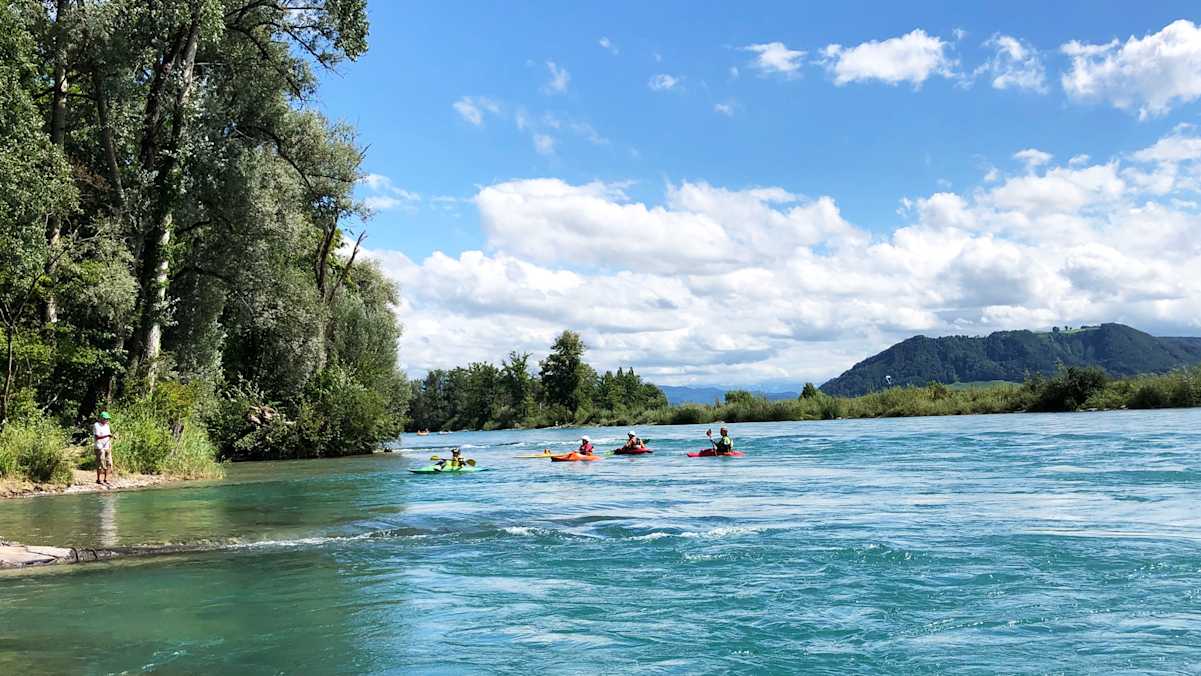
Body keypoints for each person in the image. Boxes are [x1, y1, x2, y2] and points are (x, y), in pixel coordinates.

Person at [93, 411, 114, 485]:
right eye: (105, 419)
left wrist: (111, 436)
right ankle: (98, 479)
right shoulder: (96, 425)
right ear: (101, 418)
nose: (107, 420)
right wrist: (107, 435)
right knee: (100, 463)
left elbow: (109, 434)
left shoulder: (107, 426)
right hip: (99, 447)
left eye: (107, 419)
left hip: (107, 447)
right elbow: (97, 437)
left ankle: (106, 479)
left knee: (109, 463)